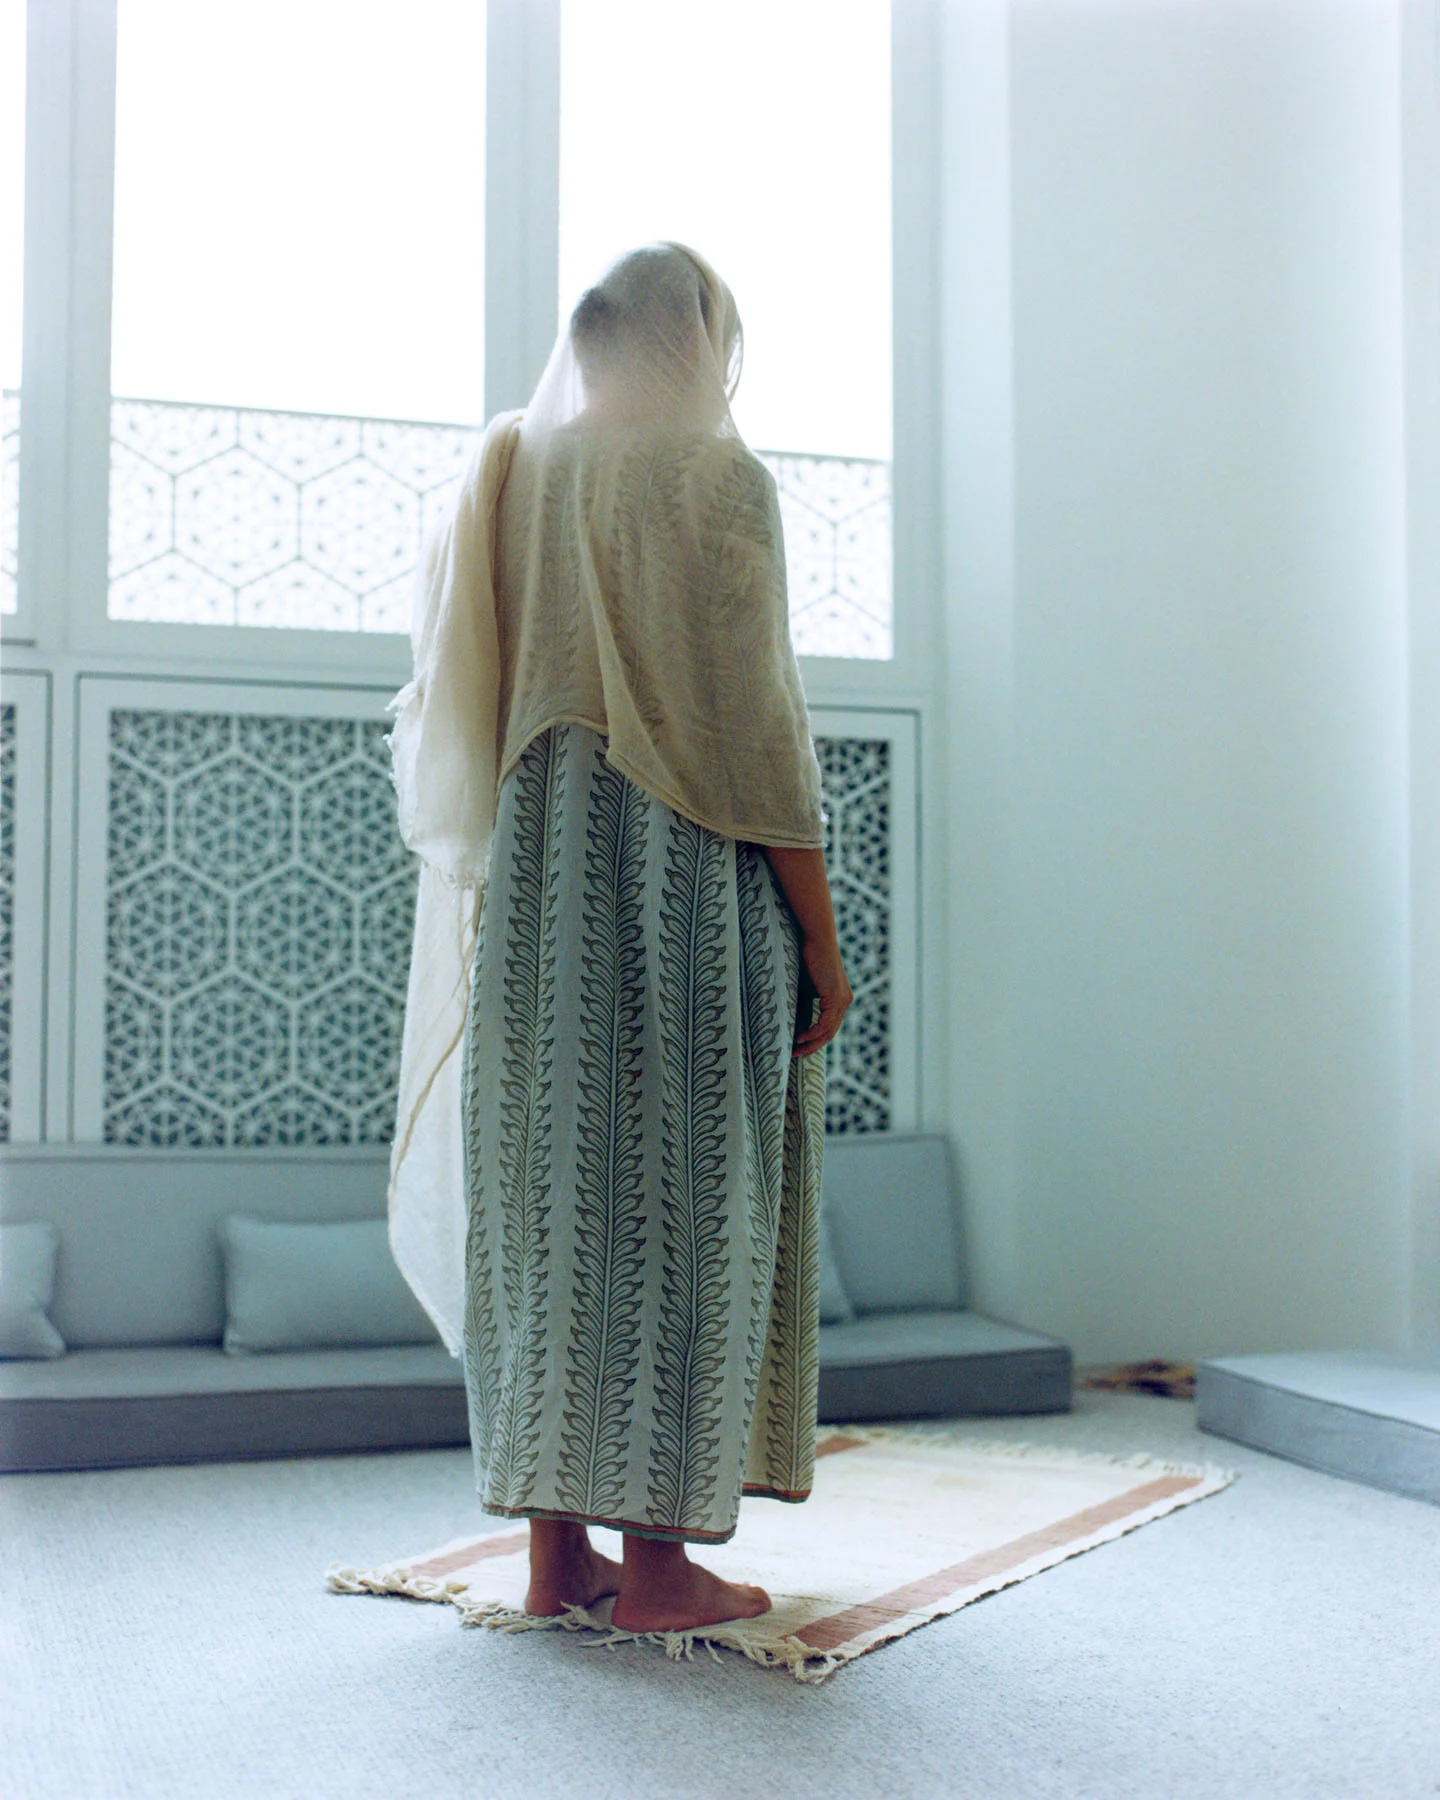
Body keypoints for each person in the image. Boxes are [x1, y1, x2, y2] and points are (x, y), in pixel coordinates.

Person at [383, 241, 852, 1635]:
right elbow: (755, 732)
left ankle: (552, 1557)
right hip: (689, 886)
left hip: (541, 895)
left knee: (554, 1204)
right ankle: (658, 1571)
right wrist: (822, 942)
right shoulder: (717, 478)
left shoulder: (514, 471)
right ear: (700, 342)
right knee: (683, 1203)